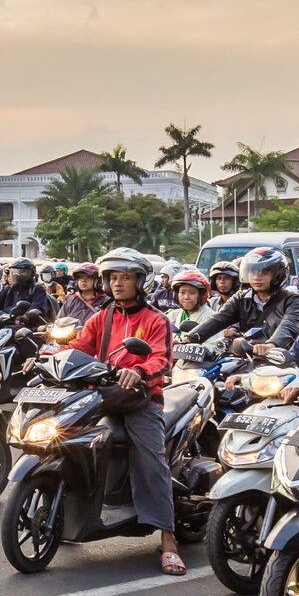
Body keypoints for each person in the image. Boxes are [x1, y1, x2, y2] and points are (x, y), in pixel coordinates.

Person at [67, 247, 185, 576]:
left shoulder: (155, 320)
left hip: (141, 398)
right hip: (102, 393)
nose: (118, 284)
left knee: (150, 459)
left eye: (126, 278)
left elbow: (161, 359)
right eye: (113, 278)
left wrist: (140, 371)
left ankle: (168, 538)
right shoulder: (102, 317)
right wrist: (49, 356)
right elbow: (78, 346)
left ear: (140, 281)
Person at [187, 246, 299, 358]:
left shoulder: (294, 300)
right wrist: (190, 337)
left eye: (264, 272)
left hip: (282, 360)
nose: (257, 277)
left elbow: (289, 326)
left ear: (278, 274)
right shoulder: (241, 298)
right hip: (246, 357)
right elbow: (218, 319)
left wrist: (271, 345)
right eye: (253, 272)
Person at [0, 257, 54, 323]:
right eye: (14, 272)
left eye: (23, 272)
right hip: (5, 322)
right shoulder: (7, 289)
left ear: (31, 273)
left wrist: (25, 317)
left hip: (28, 325)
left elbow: (37, 307)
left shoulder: (37, 289)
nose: (18, 274)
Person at [163, 268, 210, 333]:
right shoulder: (175, 315)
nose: (186, 297)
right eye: (182, 292)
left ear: (201, 295)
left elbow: (212, 342)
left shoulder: (210, 319)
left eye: (192, 293)